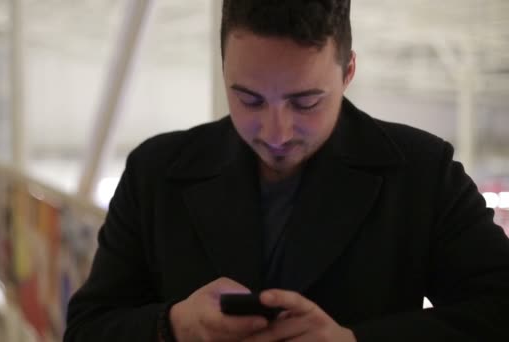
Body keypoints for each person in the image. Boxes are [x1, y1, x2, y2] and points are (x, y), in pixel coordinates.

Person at [64, 0, 509, 341]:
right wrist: (173, 325)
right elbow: (86, 328)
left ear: (348, 71)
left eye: (306, 102)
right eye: (249, 99)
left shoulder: (423, 173)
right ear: (223, 70)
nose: (276, 133)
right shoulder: (154, 172)